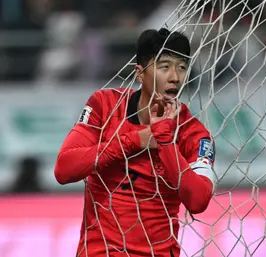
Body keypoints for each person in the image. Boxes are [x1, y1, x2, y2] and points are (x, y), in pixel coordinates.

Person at [54, 28, 216, 257]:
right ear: (140, 74)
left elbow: (199, 201)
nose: (175, 77)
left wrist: (166, 141)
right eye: (164, 67)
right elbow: (64, 169)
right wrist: (135, 140)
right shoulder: (105, 105)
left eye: (181, 67)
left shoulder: (194, 133)